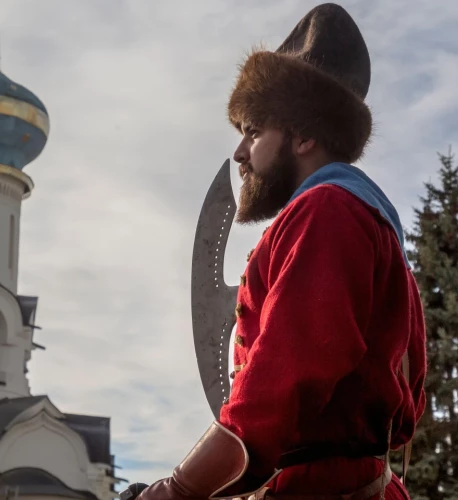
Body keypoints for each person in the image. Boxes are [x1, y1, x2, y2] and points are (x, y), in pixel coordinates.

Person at [134, 3, 427, 500]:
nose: (240, 152)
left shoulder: (329, 211)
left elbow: (283, 384)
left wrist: (179, 490)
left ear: (303, 134)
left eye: (252, 129)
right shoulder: (368, 223)